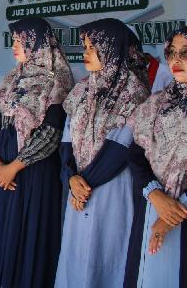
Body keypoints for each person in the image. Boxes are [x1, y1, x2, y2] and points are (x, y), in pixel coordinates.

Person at [55, 19, 150, 288]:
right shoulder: (81, 90)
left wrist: (83, 185)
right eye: (85, 46)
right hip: (79, 186)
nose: (86, 53)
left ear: (112, 48)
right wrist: (71, 178)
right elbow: (66, 140)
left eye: (93, 47)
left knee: (107, 253)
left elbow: (121, 147)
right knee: (76, 254)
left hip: (112, 187)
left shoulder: (134, 93)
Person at [0, 18, 74, 288]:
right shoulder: (12, 78)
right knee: (1, 230)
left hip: (33, 172)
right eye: (14, 40)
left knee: (27, 232)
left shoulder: (57, 81)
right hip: (2, 171)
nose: (14, 45)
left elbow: (51, 133)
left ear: (38, 44)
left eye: (20, 40)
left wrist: (13, 167)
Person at [124, 27, 187, 288]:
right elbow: (136, 154)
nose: (176, 60)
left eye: (185, 53)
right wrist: (155, 194)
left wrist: (173, 212)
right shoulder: (156, 103)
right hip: (152, 204)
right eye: (171, 52)